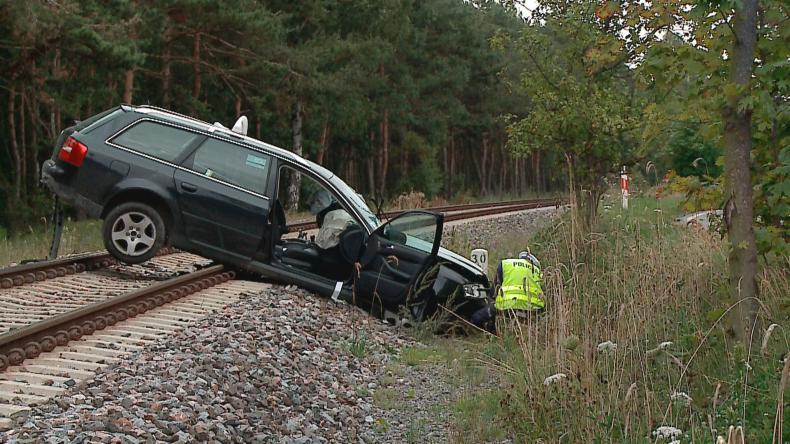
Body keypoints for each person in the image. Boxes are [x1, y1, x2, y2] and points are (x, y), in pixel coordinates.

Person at [471, 250, 544, 329]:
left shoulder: (506, 264)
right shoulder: (538, 272)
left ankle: (487, 332)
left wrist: (490, 298)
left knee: (477, 317)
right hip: (534, 309)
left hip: (507, 305)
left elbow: (494, 290)